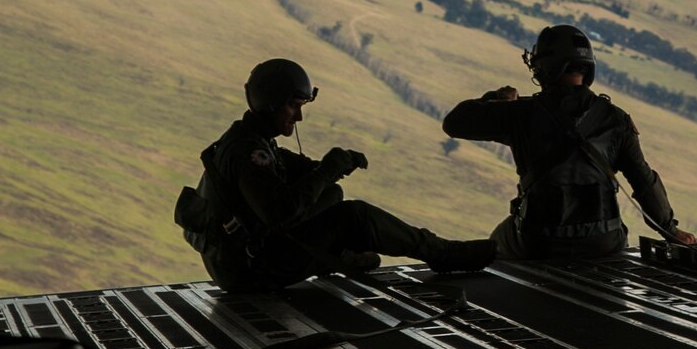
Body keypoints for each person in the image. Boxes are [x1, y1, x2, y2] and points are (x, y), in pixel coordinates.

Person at [176, 58, 495, 290]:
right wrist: (328, 169)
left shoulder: (249, 140)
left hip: (236, 262)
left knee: (332, 195)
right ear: (272, 104)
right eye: (293, 105)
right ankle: (443, 253)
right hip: (249, 269)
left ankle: (337, 254)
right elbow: (280, 213)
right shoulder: (250, 152)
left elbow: (298, 176)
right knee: (355, 216)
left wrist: (331, 168)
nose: (299, 116)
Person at [442, 24, 697, 259]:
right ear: (587, 68)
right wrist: (671, 231)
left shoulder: (519, 113)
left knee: (499, 239)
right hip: (603, 241)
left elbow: (454, 123)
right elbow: (643, 180)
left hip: (539, 239)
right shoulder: (616, 119)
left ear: (544, 68)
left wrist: (496, 99)